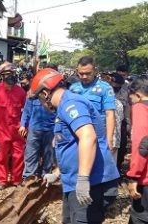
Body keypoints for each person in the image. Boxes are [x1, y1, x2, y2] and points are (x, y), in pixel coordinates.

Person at [31, 68, 119, 224]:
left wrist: (83, 179)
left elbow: (88, 136)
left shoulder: (71, 104)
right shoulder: (64, 106)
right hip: (74, 182)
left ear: (45, 94)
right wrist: (57, 173)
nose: (40, 102)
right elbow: (72, 145)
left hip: (91, 183)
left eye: (38, 98)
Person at [0, 61, 26, 190]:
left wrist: (25, 126)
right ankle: (2, 180)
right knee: (1, 156)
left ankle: (16, 179)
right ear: (1, 75)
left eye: (12, 73)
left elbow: (26, 112)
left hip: (18, 130)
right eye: (7, 74)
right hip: (1, 130)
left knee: (18, 156)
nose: (10, 76)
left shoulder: (21, 92)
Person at [69, 56, 116, 152]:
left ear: (95, 71)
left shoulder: (105, 88)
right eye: (81, 74)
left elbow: (109, 114)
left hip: (97, 136)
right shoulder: (72, 89)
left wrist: (109, 138)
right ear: (77, 71)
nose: (84, 76)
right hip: (76, 135)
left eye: (88, 73)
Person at [126, 76, 148, 224]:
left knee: (140, 216)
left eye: (131, 99)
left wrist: (133, 176)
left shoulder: (140, 108)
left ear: (138, 95)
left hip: (146, 178)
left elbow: (142, 144)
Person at [116, 64, 131, 173]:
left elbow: (129, 105)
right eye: (119, 74)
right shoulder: (108, 86)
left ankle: (117, 169)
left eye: (123, 75)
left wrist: (129, 123)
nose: (121, 76)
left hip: (122, 121)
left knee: (121, 146)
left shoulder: (129, 87)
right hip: (109, 120)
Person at [109, 73, 125, 163]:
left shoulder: (102, 103)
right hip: (115, 139)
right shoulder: (119, 104)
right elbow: (121, 118)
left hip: (107, 139)